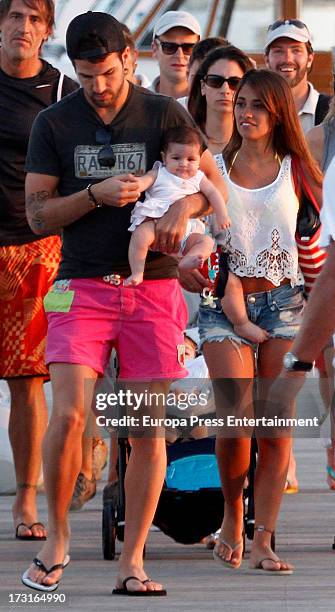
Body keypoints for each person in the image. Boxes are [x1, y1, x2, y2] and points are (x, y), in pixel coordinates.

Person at [21, 10, 226, 595]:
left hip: (152, 287)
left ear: (130, 59)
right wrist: (93, 196)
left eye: (107, 74)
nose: (98, 88)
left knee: (147, 428)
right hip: (79, 284)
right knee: (68, 414)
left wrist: (182, 210)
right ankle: (58, 539)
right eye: (85, 77)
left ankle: (133, 558)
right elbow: (37, 216)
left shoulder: (164, 113)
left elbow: (209, 188)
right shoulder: (54, 123)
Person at [197, 69, 322, 573]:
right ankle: (231, 512)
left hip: (286, 305)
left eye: (258, 106)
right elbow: (185, 212)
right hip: (222, 308)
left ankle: (265, 537)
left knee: (274, 429)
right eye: (241, 102)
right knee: (235, 422)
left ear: (277, 114)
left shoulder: (299, 167)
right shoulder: (214, 166)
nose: (245, 112)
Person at [0, 0, 77, 542]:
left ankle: (27, 499)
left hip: (41, 252)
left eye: (34, 17)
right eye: (13, 15)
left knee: (30, 380)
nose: (23, 27)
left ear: (47, 29)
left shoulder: (64, 93)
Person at [125, 126, 230, 286]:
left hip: (188, 230)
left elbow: (214, 193)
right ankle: (137, 272)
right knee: (140, 236)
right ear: (164, 157)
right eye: (176, 158)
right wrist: (136, 185)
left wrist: (222, 214)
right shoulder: (160, 171)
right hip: (156, 224)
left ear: (199, 160)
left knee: (207, 242)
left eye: (191, 159)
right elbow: (145, 180)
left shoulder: (198, 178)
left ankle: (189, 259)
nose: (183, 164)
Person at [265, 19, 330, 133]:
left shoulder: (331, 112)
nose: (287, 59)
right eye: (278, 51)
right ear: (266, 60)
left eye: (296, 50)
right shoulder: (254, 110)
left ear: (310, 59)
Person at [150, 10, 200, 97]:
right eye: (169, 47)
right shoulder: (137, 103)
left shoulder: (211, 106)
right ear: (155, 49)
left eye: (188, 48)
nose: (179, 55)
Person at [178, 36, 229, 109]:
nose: (203, 88)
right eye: (197, 79)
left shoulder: (241, 115)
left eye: (214, 80)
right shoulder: (173, 113)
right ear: (187, 75)